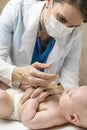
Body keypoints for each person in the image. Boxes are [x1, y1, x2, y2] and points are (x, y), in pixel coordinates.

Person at [0, 0, 87, 93]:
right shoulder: (16, 10)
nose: (64, 28)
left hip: (44, 96)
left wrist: (57, 88)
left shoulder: (75, 34)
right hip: (9, 86)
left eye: (72, 26)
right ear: (49, 2)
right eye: (61, 18)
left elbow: (69, 84)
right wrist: (19, 74)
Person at [0, 85, 87, 129]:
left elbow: (28, 121)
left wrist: (35, 100)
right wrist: (55, 84)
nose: (69, 90)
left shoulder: (55, 115)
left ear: (72, 117)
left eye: (70, 95)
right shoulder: (63, 97)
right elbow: (59, 85)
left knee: (2, 97)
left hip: (13, 105)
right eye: (75, 88)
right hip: (21, 90)